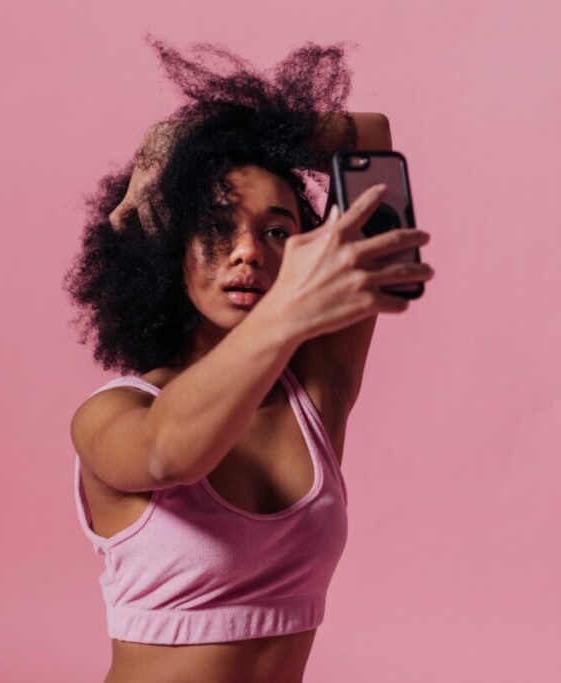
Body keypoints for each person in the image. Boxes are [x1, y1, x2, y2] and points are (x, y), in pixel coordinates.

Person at [63, 38, 434, 683]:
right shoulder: (113, 414)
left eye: (277, 231)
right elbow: (168, 453)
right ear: (166, 250)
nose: (248, 253)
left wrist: (173, 138)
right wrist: (174, 152)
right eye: (217, 226)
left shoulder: (316, 391)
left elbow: (371, 138)